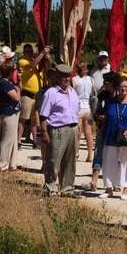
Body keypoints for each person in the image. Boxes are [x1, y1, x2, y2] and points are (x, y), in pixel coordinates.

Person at [100, 77, 127, 200]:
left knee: (126, 162)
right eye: (121, 86)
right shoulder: (110, 102)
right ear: (117, 88)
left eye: (125, 86)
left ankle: (125, 189)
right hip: (110, 135)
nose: (123, 88)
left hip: (126, 137)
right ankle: (108, 188)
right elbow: (105, 118)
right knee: (108, 162)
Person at [39, 63, 79, 196]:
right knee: (54, 160)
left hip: (72, 129)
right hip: (58, 130)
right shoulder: (51, 93)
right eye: (63, 76)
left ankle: (67, 189)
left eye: (68, 76)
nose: (66, 79)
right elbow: (43, 115)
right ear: (57, 77)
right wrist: (44, 133)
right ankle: (50, 188)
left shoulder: (73, 92)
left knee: (70, 161)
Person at [85, 72, 117, 192]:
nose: (104, 84)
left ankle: (115, 182)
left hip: (116, 130)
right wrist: (100, 117)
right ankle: (94, 181)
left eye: (106, 82)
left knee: (115, 156)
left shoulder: (120, 96)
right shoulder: (102, 95)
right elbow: (96, 111)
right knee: (98, 153)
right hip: (103, 128)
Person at [17, 44, 49, 147]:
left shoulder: (36, 62)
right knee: (23, 119)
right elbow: (31, 66)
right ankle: (18, 140)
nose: (30, 53)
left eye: (31, 51)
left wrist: (46, 56)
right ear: (24, 53)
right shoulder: (22, 61)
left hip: (37, 95)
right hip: (27, 95)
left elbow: (45, 67)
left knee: (35, 120)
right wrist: (42, 53)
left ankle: (35, 140)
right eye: (27, 51)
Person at [0, 56, 21, 171]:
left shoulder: (6, 82)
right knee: (7, 139)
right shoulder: (4, 84)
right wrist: (18, 90)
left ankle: (12, 163)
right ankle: (2, 164)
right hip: (8, 113)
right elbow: (16, 98)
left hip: (13, 113)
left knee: (13, 139)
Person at [73, 61, 95, 162]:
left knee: (80, 132)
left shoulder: (75, 80)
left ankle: (78, 153)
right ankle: (89, 155)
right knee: (87, 132)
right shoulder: (91, 79)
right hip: (86, 107)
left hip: (80, 107)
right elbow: (94, 93)